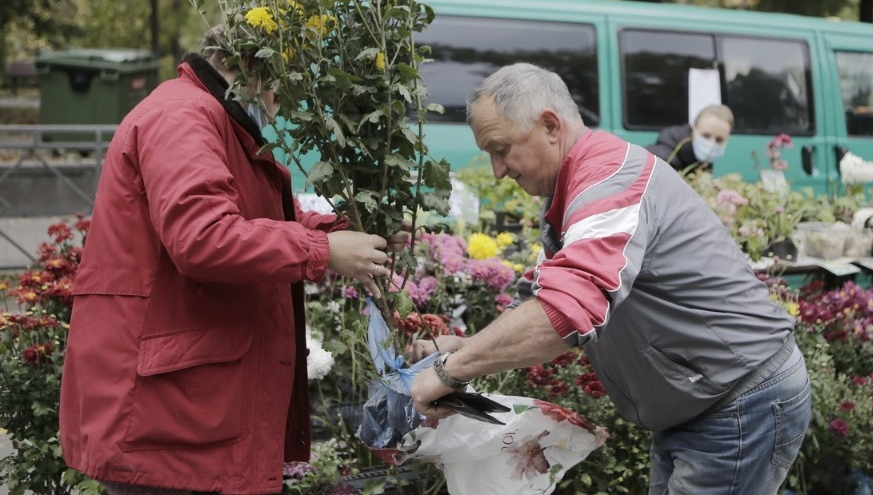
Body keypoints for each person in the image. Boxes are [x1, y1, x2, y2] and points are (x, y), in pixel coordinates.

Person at [409, 63, 811, 494]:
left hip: (737, 404)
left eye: (501, 149)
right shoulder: (579, 184)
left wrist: (453, 372)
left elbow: (566, 309)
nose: (497, 170)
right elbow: (547, 293)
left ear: (549, 125)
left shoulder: (608, 180)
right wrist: (468, 348)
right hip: (705, 404)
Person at [59, 29, 403, 495]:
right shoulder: (184, 115)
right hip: (169, 420)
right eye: (280, 88)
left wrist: (340, 234)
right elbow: (204, 236)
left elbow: (253, 214)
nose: (280, 106)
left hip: (181, 409)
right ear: (254, 67)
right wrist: (322, 250)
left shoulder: (206, 114)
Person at [645, 103, 734, 173]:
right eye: (706, 136)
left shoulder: (700, 162)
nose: (711, 143)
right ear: (693, 130)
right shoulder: (662, 159)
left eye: (719, 139)